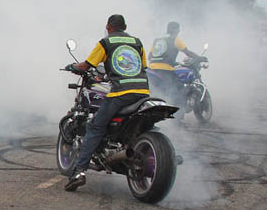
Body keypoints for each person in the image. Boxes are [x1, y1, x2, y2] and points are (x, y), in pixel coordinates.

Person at [63, 14, 150, 191]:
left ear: (108, 27)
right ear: (125, 27)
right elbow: (143, 67)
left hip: (121, 92)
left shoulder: (106, 42)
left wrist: (72, 66)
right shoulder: (137, 42)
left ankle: (79, 171)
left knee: (95, 127)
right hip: (143, 92)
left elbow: (86, 66)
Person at [148, 21, 206, 112]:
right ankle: (178, 120)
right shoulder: (175, 39)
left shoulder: (158, 39)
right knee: (180, 91)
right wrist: (199, 58)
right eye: (177, 29)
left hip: (152, 70)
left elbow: (150, 56)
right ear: (174, 29)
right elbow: (187, 52)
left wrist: (170, 61)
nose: (178, 31)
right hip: (165, 70)